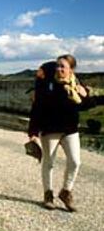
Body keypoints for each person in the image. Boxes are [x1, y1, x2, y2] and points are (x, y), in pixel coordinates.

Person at [28, 54, 104, 211]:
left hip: (70, 129)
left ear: (71, 69)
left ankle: (66, 192)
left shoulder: (75, 83)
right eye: (58, 66)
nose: (59, 69)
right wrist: (33, 131)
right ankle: (48, 195)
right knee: (48, 163)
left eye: (63, 66)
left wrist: (85, 95)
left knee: (75, 162)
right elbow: (37, 107)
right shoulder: (46, 82)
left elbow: (83, 106)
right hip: (50, 129)